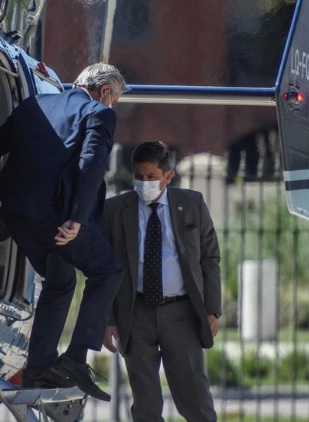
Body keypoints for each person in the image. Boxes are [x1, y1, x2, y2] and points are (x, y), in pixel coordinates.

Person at [0, 63, 127, 401]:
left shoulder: (33, 104)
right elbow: (91, 164)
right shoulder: (100, 114)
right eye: (115, 100)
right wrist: (77, 219)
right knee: (108, 270)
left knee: (61, 277)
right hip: (57, 218)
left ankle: (38, 368)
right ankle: (76, 357)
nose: (113, 107)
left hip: (16, 214)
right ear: (106, 92)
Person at [101, 141, 221, 422]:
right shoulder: (116, 210)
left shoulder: (191, 204)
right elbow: (103, 269)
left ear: (167, 176)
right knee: (145, 405)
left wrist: (211, 309)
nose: (145, 183)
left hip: (181, 314)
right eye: (139, 177)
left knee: (195, 400)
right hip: (136, 312)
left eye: (151, 177)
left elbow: (209, 258)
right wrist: (107, 318)